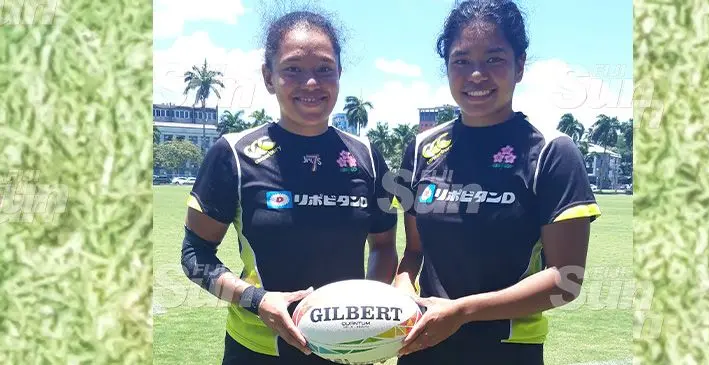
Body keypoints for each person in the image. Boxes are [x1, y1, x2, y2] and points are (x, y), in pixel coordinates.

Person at [179, 10, 398, 365]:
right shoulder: (232, 154)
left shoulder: (369, 157)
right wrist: (257, 300)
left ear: (340, 74)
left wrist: (368, 315)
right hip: (258, 350)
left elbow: (384, 246)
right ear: (269, 76)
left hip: (346, 352)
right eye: (293, 69)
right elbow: (193, 257)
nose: (311, 83)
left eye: (324, 69)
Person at [391, 1, 601, 364]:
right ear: (447, 67)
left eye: (493, 59)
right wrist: (401, 292)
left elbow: (565, 280)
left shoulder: (552, 152)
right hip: (423, 346)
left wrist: (462, 311)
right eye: (461, 60)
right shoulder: (422, 148)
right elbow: (413, 253)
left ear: (519, 65)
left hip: (507, 351)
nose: (476, 75)